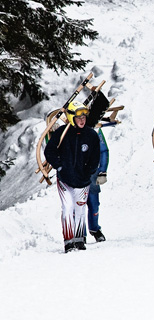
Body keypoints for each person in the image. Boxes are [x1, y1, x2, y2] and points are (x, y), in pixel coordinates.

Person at [44, 101, 100, 253]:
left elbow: (96, 157)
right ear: (71, 117)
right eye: (78, 117)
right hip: (65, 180)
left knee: (80, 209)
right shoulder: (61, 133)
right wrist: (59, 166)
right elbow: (49, 151)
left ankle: (79, 240)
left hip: (83, 180)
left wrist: (90, 170)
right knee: (68, 207)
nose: (82, 120)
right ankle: (69, 241)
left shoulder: (92, 135)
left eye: (84, 117)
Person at [86, 127, 109, 242]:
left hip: (91, 173)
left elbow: (103, 150)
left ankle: (94, 229)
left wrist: (102, 170)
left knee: (94, 204)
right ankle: (78, 233)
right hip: (75, 172)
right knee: (75, 206)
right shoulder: (66, 126)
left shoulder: (95, 128)